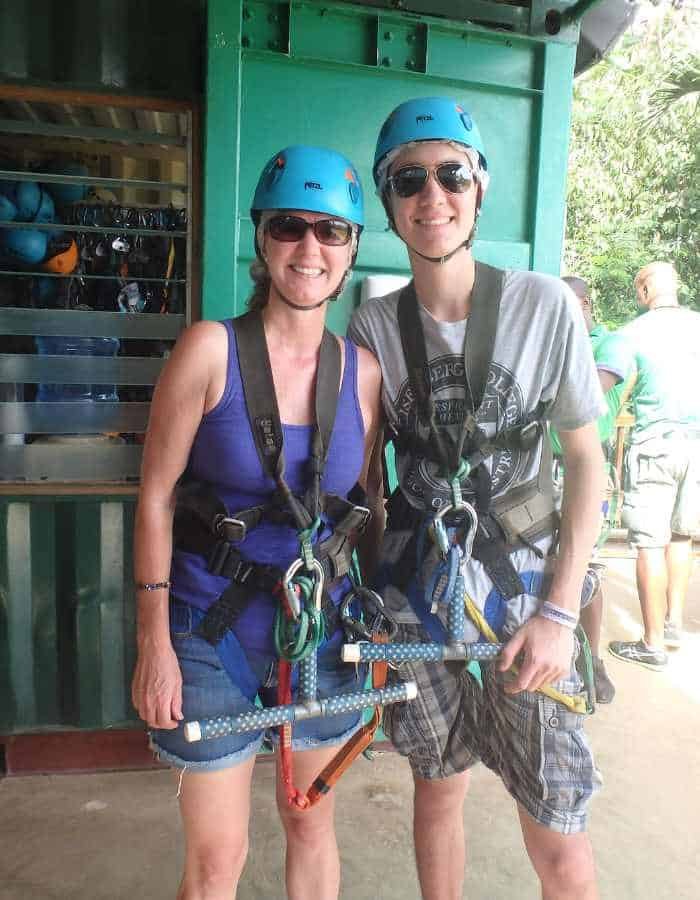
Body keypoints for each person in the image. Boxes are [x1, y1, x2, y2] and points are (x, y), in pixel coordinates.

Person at [349, 97, 606, 900]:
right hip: (416, 597)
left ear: (480, 185)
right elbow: (361, 483)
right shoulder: (373, 328)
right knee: (439, 785)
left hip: (524, 598)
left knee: (556, 819)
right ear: (389, 203)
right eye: (409, 180)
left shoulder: (543, 306)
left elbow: (586, 463)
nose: (433, 197)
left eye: (452, 174)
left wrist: (561, 612)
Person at [131, 145, 382, 900]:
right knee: (218, 863)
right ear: (262, 239)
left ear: (353, 248)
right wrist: (153, 644)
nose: (310, 249)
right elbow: (153, 497)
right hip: (211, 631)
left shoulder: (364, 372)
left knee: (310, 823)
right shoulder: (209, 350)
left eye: (331, 232)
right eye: (289, 228)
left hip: (323, 631)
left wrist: (382, 629)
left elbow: (365, 514)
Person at [609, 261, 700, 671]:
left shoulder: (633, 333)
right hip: (697, 447)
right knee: (681, 538)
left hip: (655, 447)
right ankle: (674, 623)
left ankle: (653, 644)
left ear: (644, 290)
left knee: (648, 543)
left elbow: (610, 388)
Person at [551, 275, 635, 703]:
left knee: (583, 566)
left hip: (587, 469)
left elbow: (587, 394)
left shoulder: (612, 344)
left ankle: (594, 660)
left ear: (585, 305)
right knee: (551, 562)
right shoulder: (554, 342)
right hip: (542, 469)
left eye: (568, 307)